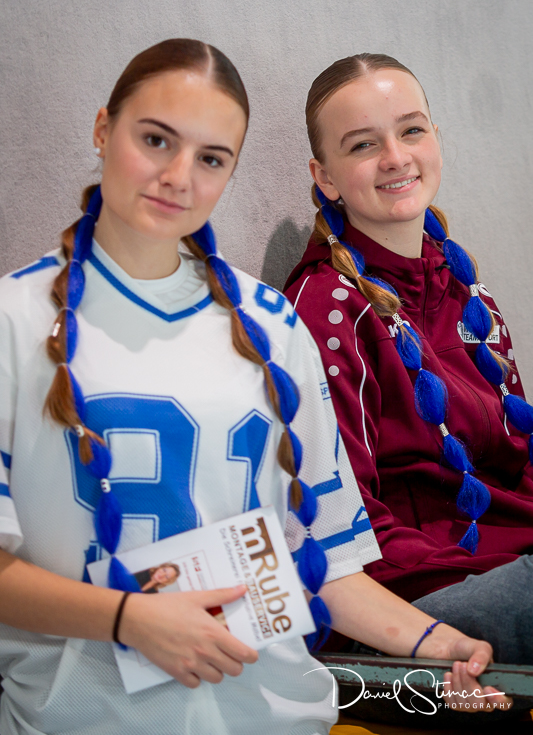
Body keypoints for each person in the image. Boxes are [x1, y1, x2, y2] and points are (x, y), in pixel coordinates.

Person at [0, 40, 507, 735]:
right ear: (102, 129)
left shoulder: (271, 325)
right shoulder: (15, 321)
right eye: (156, 139)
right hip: (84, 721)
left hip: (280, 717)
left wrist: (438, 643)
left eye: (212, 158)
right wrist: (127, 618)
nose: (178, 176)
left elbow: (329, 566)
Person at [284, 53, 533, 716]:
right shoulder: (325, 310)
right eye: (362, 145)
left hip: (506, 568)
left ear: (435, 139)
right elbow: (347, 529)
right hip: (410, 606)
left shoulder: (465, 290)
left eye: (411, 130)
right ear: (324, 177)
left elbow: (518, 459)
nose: (395, 157)